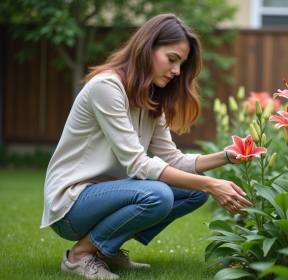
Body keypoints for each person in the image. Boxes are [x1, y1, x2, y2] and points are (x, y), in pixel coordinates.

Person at [41, 13, 252, 279]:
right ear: (146, 48)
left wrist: (226, 157)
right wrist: (210, 185)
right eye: (172, 59)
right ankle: (79, 255)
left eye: (181, 64)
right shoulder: (107, 86)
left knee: (195, 191)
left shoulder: (151, 97)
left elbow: (173, 159)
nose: (177, 71)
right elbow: (138, 164)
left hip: (109, 196)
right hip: (71, 205)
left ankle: (107, 250)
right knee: (159, 195)